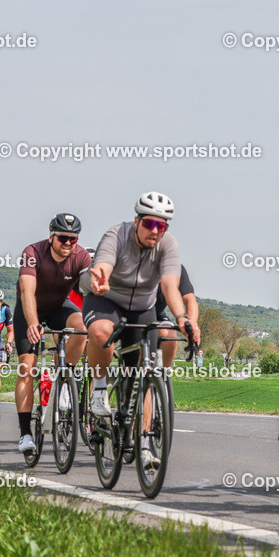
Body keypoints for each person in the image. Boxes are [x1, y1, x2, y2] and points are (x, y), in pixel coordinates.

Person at [83, 192, 199, 471]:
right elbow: (104, 264)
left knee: (144, 374)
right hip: (107, 299)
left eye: (162, 226)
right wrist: (101, 277)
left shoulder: (168, 245)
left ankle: (145, 444)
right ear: (136, 221)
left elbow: (170, 286)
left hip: (142, 308)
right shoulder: (116, 235)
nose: (155, 231)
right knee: (101, 333)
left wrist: (182, 318)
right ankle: (99, 388)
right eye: (149, 223)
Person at [13, 213, 92, 454]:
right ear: (51, 237)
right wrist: (33, 323)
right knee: (27, 368)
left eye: (73, 239)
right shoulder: (33, 252)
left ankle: (64, 381)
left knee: (82, 327)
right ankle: (25, 434)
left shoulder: (82, 257)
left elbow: (90, 289)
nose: (68, 243)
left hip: (59, 307)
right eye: (63, 238)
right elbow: (27, 291)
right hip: (29, 308)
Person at [154, 264, 200, 369]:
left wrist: (192, 326)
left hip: (157, 313)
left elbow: (190, 299)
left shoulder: (175, 268)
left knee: (170, 336)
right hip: (129, 311)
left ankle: (162, 375)